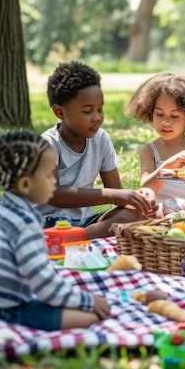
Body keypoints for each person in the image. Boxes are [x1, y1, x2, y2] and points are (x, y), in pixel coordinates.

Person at [0, 131, 111, 330]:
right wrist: (86, 301)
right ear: (26, 184)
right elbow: (44, 284)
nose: (55, 182)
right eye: (49, 176)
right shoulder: (27, 225)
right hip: (9, 309)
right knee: (88, 317)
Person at [38, 61, 156, 238]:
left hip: (84, 222)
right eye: (87, 111)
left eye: (100, 109)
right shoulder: (48, 144)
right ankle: (67, 238)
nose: (97, 118)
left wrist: (137, 198)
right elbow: (54, 194)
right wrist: (115, 195)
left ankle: (74, 238)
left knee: (131, 216)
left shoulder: (101, 139)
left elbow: (116, 190)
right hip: (46, 221)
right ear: (60, 112)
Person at [125, 71, 185, 217]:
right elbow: (146, 189)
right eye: (159, 114)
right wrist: (168, 167)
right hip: (164, 211)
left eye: (174, 116)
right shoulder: (149, 150)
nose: (165, 121)